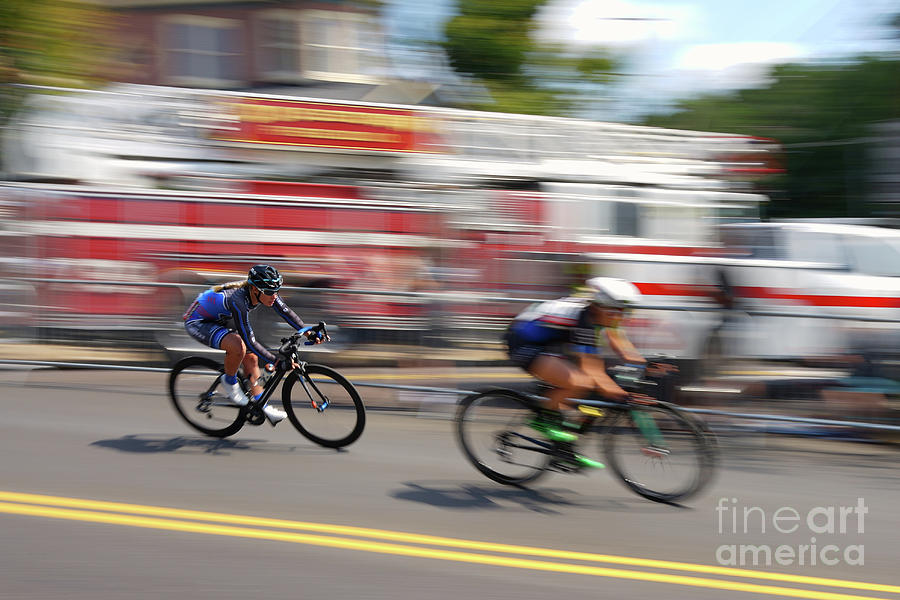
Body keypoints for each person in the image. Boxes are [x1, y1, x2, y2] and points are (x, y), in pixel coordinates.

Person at [505, 276, 648, 468]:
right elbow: (591, 368)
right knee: (581, 382)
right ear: (601, 306)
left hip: (549, 343)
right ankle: (541, 420)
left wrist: (647, 364)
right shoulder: (585, 318)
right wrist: (621, 395)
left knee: (591, 389)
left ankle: (564, 448)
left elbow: (621, 345)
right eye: (617, 311)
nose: (621, 316)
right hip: (523, 341)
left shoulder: (603, 314)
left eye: (625, 311)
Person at [182, 264, 324, 424]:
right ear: (255, 290)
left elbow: (286, 312)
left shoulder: (265, 293)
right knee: (239, 346)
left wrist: (309, 331)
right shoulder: (238, 300)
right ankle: (229, 381)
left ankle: (262, 405)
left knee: (251, 358)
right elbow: (249, 341)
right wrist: (275, 361)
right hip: (199, 321)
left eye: (277, 290)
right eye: (270, 292)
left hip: (221, 318)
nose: (274, 296)